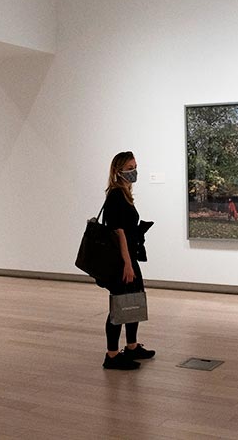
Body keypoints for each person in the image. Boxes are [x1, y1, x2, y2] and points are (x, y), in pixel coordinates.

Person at [101, 151, 156, 370]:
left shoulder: (124, 194)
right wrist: (127, 263)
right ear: (118, 171)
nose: (134, 171)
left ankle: (132, 346)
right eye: (130, 167)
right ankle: (112, 355)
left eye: (135, 166)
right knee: (119, 303)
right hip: (122, 260)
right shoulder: (115, 195)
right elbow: (119, 232)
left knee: (134, 299)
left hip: (129, 257)